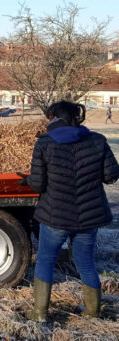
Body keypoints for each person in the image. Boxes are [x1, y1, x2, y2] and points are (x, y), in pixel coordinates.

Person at [22, 101, 119, 322]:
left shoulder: (45, 144)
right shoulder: (98, 140)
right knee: (86, 262)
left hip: (55, 215)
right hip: (89, 217)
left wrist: (26, 180)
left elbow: (37, 184)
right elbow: (111, 175)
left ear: (55, 118)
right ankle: (93, 312)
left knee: (46, 260)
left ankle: (39, 314)